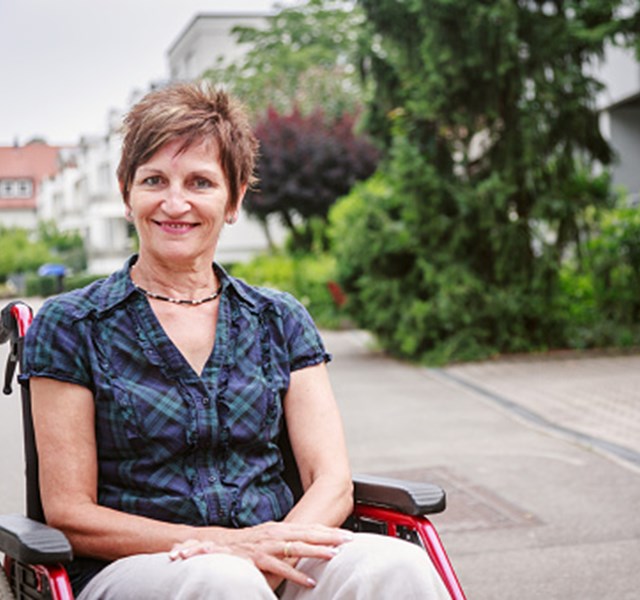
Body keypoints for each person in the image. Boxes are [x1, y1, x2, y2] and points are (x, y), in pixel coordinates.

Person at [22, 83, 449, 600]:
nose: (174, 202)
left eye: (200, 182)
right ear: (126, 192)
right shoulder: (72, 323)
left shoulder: (279, 318)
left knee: (395, 565)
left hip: (276, 556)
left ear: (234, 198)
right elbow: (71, 514)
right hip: (141, 565)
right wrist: (228, 548)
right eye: (154, 179)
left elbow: (330, 480)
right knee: (222, 579)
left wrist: (274, 548)